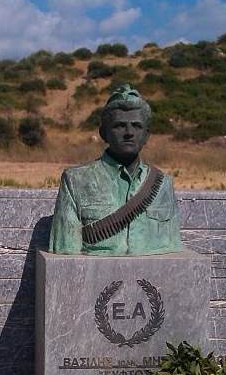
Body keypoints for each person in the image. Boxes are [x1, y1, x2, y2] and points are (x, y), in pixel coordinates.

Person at [48, 84, 183, 255]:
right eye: (119, 125)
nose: (129, 132)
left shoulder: (163, 184)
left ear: (147, 135)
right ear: (104, 133)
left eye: (137, 125)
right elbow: (65, 254)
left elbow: (173, 253)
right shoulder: (75, 180)